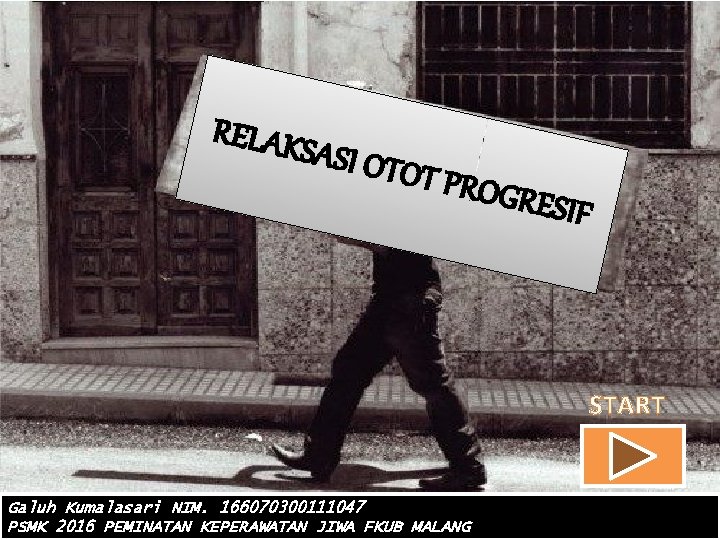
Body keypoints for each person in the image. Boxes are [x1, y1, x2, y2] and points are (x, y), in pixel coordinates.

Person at [271, 237, 486, 491]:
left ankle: (468, 468)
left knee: (434, 384)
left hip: (411, 302)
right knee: (348, 371)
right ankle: (319, 455)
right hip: (389, 299)